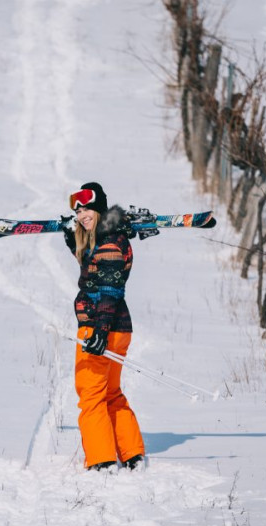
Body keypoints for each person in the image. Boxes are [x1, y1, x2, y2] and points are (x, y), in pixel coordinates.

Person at [61, 182, 147, 472]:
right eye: (78, 210)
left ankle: (102, 460)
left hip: (102, 327)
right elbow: (95, 271)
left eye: (87, 208)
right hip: (118, 329)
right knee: (110, 392)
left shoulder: (109, 242)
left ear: (99, 208)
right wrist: (73, 241)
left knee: (91, 395)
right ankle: (132, 453)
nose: (82, 214)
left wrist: (98, 331)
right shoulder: (109, 238)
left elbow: (110, 289)